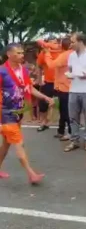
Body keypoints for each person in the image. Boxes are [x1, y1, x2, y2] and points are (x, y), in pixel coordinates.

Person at [0, 43, 55, 183]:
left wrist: (45, 97)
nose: (22, 55)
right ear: (9, 55)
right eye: (18, 53)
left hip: (18, 112)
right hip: (6, 114)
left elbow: (28, 88)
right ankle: (31, 174)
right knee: (19, 143)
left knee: (6, 143)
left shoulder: (23, 70)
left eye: (22, 52)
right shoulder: (2, 71)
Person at [37, 38, 73, 141]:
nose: (54, 45)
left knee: (66, 111)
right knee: (61, 109)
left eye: (56, 43)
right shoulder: (47, 53)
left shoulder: (65, 54)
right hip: (56, 84)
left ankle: (71, 133)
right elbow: (39, 65)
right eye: (52, 42)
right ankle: (60, 131)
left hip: (65, 86)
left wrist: (47, 50)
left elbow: (51, 65)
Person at [36, 36, 60, 132]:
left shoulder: (61, 52)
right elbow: (39, 67)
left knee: (62, 104)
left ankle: (62, 124)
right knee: (43, 104)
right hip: (48, 82)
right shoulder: (43, 53)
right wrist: (39, 80)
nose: (52, 45)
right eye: (50, 42)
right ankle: (44, 123)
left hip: (60, 83)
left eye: (54, 42)